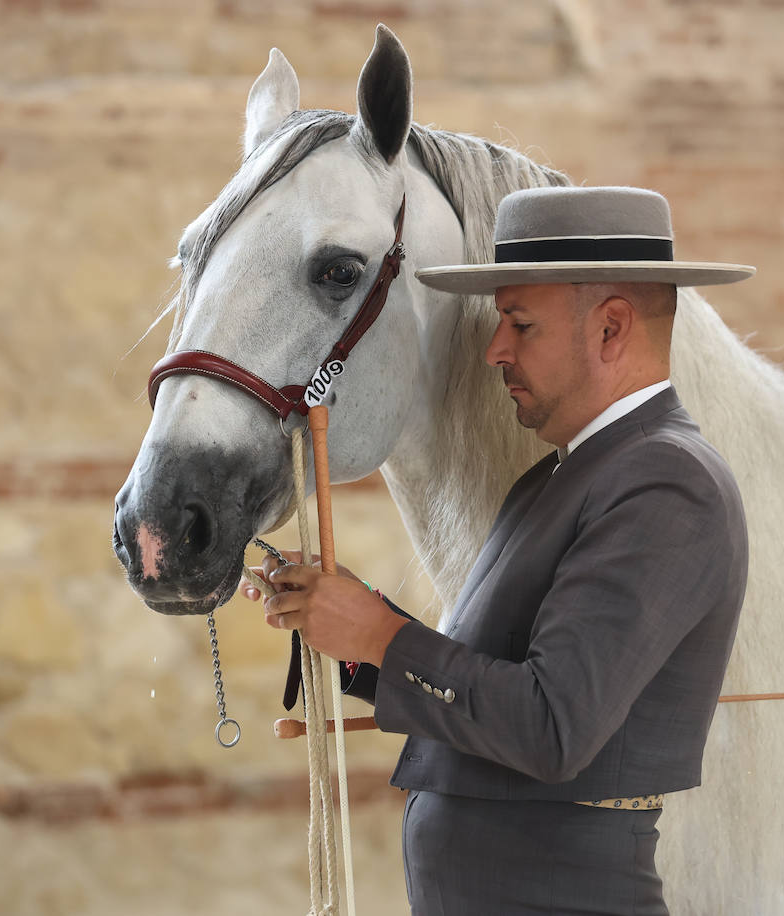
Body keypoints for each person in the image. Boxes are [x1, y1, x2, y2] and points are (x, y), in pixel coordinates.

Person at [242, 186, 753, 915]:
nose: (495, 350)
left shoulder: (666, 481)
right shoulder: (563, 476)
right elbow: (487, 693)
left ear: (611, 328)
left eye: (519, 323)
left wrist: (381, 635)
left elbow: (551, 726)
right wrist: (340, 625)